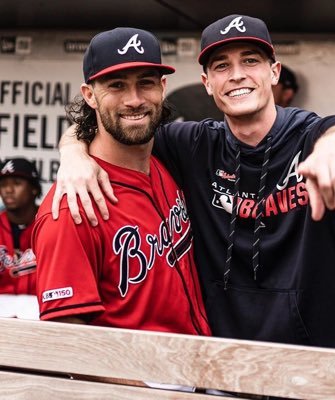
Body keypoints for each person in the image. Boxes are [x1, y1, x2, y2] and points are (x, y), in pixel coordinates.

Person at [54, 15, 335, 350]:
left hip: (316, 362)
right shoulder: (191, 145)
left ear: (274, 72)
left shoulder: (312, 137)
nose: (236, 74)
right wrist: (72, 150)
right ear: (207, 82)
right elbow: (120, 124)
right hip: (219, 367)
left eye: (250, 60)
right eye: (222, 65)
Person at [32, 27, 211, 342]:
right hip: (140, 382)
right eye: (117, 85)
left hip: (200, 368)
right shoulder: (72, 208)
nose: (135, 100)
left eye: (146, 83)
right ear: (89, 95)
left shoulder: (167, 160)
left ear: (162, 87)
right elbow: (68, 340)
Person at [0, 157, 41, 319]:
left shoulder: (52, 225)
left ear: (34, 189)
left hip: (39, 310)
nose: (8, 190)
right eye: (3, 185)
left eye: (17, 183)